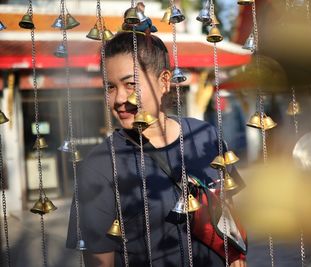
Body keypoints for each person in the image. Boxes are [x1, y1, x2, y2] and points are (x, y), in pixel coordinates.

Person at [66, 31, 246, 267]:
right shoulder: (99, 166)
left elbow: (226, 208)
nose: (119, 98)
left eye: (130, 84)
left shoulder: (205, 136)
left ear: (163, 81)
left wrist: (235, 257)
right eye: (109, 87)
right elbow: (99, 261)